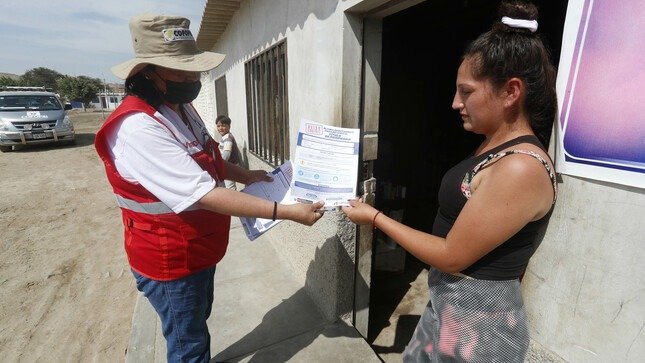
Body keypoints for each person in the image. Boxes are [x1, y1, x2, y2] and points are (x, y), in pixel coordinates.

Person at [94, 14, 324, 362]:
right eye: (180, 71)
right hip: (171, 262)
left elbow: (208, 158)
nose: (192, 78)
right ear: (147, 73)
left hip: (198, 251)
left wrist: (247, 176)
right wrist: (287, 212)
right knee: (190, 348)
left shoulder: (180, 108)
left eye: (194, 69)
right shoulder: (137, 128)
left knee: (196, 325)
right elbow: (204, 193)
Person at [342, 1, 558, 361]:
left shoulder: (521, 168)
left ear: (511, 92)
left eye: (467, 91)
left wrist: (375, 219)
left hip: (479, 329)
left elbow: (452, 256)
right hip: (453, 307)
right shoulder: (495, 144)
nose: (455, 103)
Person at [215, 115, 242, 190]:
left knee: (230, 187)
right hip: (229, 165)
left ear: (229, 126)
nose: (220, 128)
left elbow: (227, 153)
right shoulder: (226, 136)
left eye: (223, 126)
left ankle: (235, 200)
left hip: (229, 166)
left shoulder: (228, 138)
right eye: (218, 126)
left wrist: (220, 165)